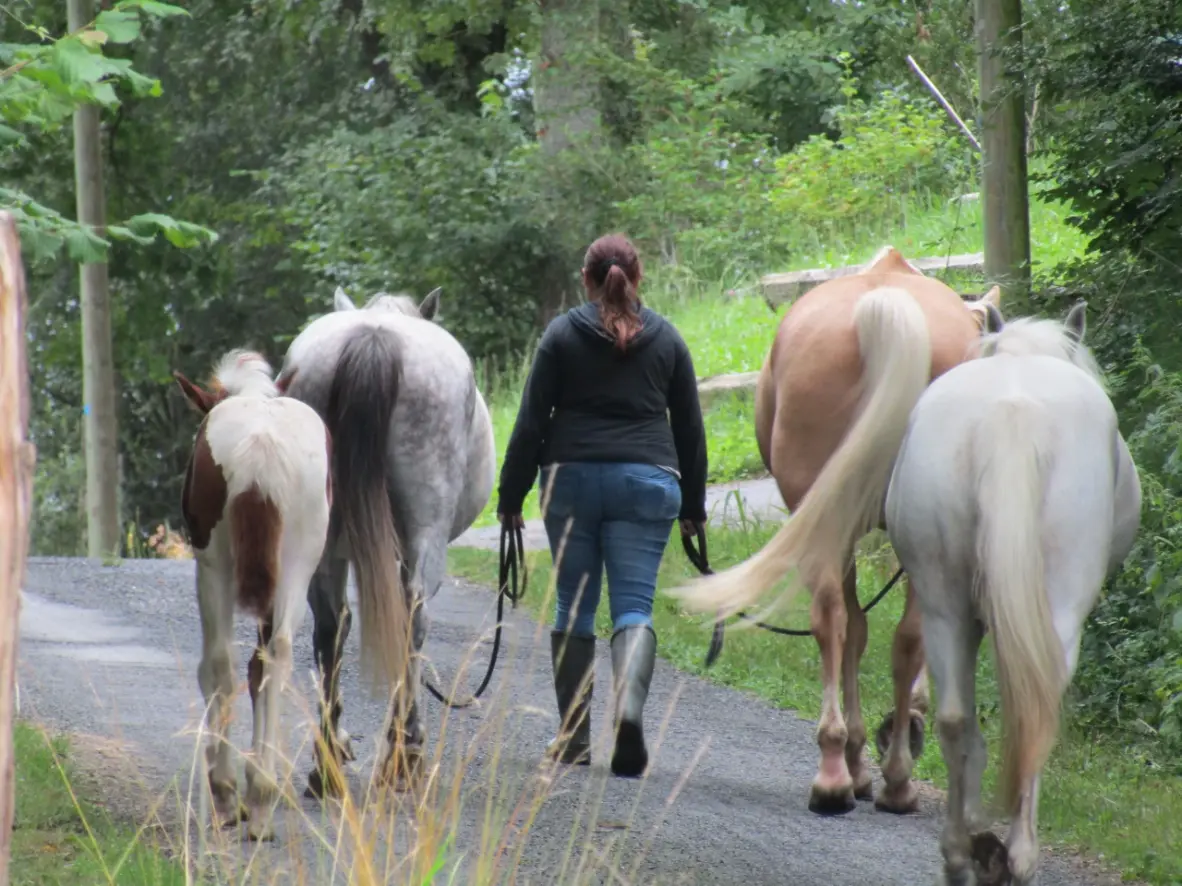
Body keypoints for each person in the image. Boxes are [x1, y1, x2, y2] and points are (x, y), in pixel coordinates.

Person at [496, 233, 708, 778]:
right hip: (647, 480)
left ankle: (572, 739)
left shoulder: (562, 335)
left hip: (569, 479)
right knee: (634, 605)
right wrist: (695, 506)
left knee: (575, 604)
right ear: (637, 278)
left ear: (587, 279)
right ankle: (630, 713)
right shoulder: (668, 339)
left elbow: (530, 421)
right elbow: (689, 427)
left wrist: (511, 495)